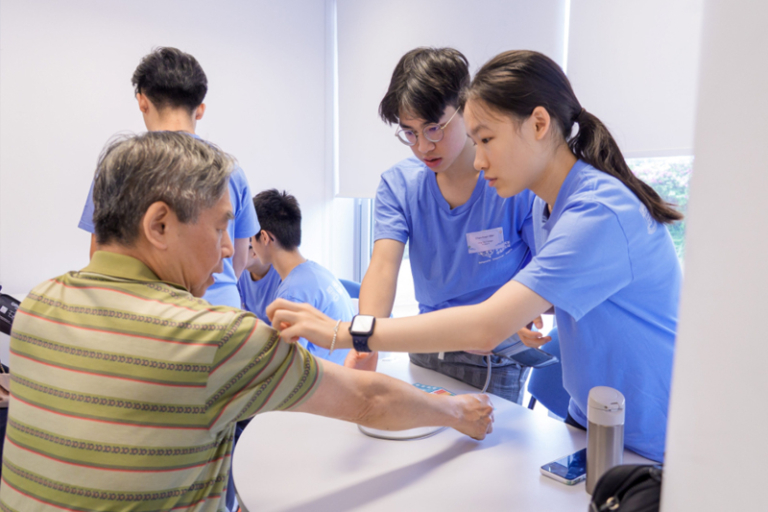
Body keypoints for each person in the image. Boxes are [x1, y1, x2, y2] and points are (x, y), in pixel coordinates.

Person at [0, 133, 494, 512]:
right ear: (159, 224)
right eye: (220, 227)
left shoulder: (37, 306)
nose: (226, 252)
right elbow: (369, 399)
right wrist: (457, 414)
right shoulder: (213, 337)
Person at [268, 50, 682, 463]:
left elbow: (486, 328)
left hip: (648, 435)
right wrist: (529, 306)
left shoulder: (598, 211)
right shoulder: (547, 207)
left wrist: (347, 331)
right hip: (592, 418)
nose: (479, 160)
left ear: (539, 124)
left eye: (485, 139)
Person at [348, 47, 539, 404]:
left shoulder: (512, 183)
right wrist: (365, 339)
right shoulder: (399, 185)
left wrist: (527, 313)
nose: (423, 146)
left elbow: (544, 268)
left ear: (466, 109)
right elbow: (383, 266)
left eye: (435, 128)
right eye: (410, 133)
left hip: (495, 359)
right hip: (427, 346)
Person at [78, 46, 258, 309]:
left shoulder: (119, 164)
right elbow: (239, 259)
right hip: (220, 310)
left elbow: (100, 253)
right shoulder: (230, 170)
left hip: (144, 310)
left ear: (142, 101)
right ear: (199, 109)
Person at [250, 189, 353, 365]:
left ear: (265, 237)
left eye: (251, 238)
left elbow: (287, 367)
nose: (250, 245)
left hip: (326, 384)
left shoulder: (292, 294)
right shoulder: (316, 272)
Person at [237, 209, 282, 325]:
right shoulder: (239, 273)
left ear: (254, 251)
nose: (231, 251)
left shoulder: (283, 276)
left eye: (238, 245)